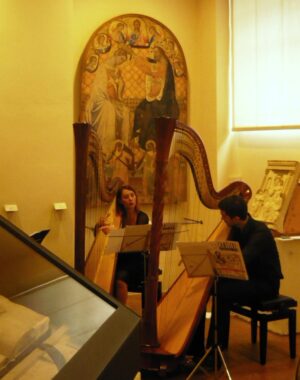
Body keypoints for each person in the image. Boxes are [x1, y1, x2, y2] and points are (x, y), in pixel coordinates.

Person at [186, 194, 283, 367]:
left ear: (236, 218)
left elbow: (242, 260)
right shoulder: (237, 228)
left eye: (223, 215)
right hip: (247, 280)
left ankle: (217, 349)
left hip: (265, 284)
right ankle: (195, 348)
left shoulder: (260, 233)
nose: (221, 218)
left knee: (222, 292)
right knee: (210, 289)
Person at [96, 184, 149, 304]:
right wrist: (99, 225)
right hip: (122, 258)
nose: (130, 199)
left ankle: (122, 313)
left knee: (119, 280)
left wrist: (113, 232)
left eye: (132, 195)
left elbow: (132, 241)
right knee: (108, 277)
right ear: (120, 201)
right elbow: (101, 236)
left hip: (137, 260)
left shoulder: (142, 217)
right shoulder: (118, 217)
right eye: (126, 197)